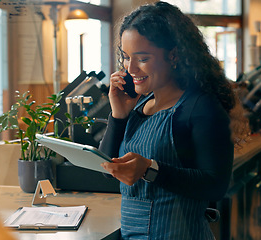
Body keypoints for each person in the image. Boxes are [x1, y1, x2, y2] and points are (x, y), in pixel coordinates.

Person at [98, 2, 249, 239]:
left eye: (143, 58)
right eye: (126, 57)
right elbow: (108, 170)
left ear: (174, 55)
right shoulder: (139, 105)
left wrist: (150, 169)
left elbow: (215, 185)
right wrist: (119, 115)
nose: (131, 69)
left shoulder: (201, 108)